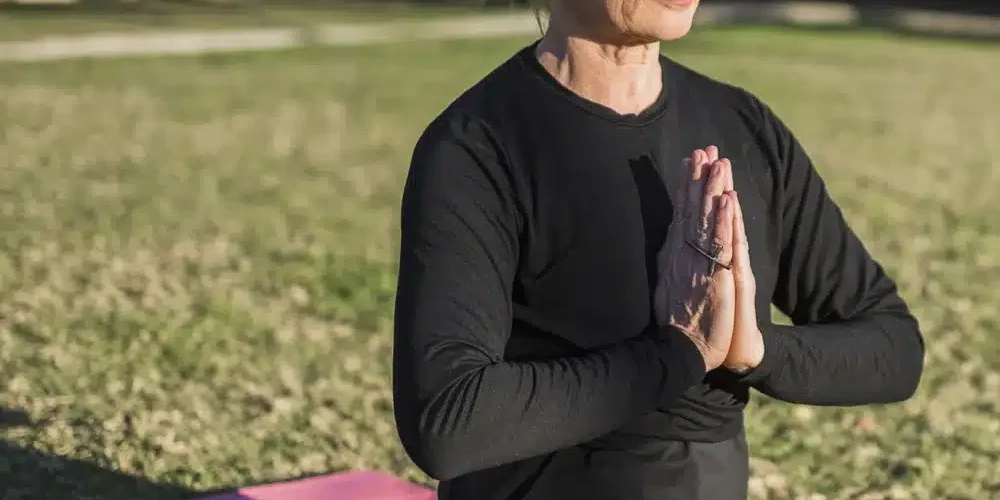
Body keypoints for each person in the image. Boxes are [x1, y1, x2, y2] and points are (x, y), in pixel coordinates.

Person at [391, 0, 926, 498]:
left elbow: (894, 348)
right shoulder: (478, 145)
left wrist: (755, 351)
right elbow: (448, 422)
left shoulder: (744, 127)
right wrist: (680, 350)